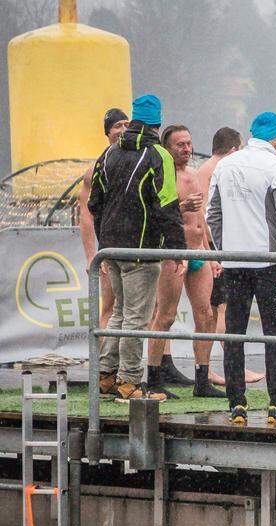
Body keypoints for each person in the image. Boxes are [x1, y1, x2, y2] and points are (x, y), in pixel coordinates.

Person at [206, 111, 276, 425]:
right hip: (269, 264)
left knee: (234, 333)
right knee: (274, 333)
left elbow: (212, 214)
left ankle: (236, 403)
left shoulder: (226, 164)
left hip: (235, 263)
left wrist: (223, 252)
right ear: (270, 136)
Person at [89, 93, 186, 402]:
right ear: (158, 123)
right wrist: (177, 250)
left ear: (132, 121)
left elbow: (95, 203)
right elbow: (167, 204)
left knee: (119, 311)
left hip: (112, 249)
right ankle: (129, 382)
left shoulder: (108, 153)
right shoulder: (159, 155)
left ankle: (105, 375)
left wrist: (105, 244)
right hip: (142, 250)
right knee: (136, 317)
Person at [144, 125, 224, 399]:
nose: (187, 150)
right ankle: (153, 377)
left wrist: (210, 252)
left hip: (198, 251)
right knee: (164, 316)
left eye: (189, 144)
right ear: (167, 148)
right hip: (172, 252)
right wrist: (180, 207)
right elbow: (155, 216)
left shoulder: (195, 175)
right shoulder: (161, 176)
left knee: (206, 315)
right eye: (180, 145)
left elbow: (200, 218)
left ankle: (202, 378)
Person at [197, 127, 265, 387]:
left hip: (211, 249)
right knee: (220, 312)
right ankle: (230, 368)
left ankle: (213, 370)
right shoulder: (216, 170)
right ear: (234, 150)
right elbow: (204, 216)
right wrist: (212, 253)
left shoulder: (208, 168)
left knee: (213, 313)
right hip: (213, 250)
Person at [78, 107, 128, 336]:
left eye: (127, 124)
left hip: (137, 245)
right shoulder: (97, 168)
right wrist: (91, 256)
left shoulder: (140, 160)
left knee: (142, 309)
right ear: (107, 133)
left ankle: (138, 367)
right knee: (110, 306)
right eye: (117, 125)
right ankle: (103, 368)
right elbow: (86, 213)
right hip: (109, 249)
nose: (123, 130)